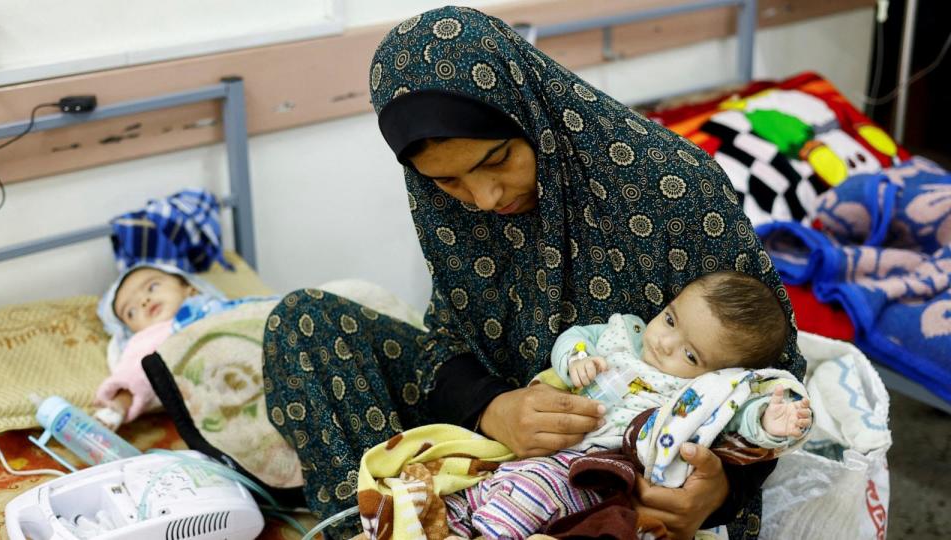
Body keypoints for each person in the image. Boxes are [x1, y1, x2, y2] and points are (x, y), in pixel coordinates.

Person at [262, 6, 804, 539]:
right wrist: (494, 408)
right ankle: (389, 522)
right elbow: (448, 344)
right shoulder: (448, 207)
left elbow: (770, 372)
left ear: (531, 113)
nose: (483, 198)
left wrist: (716, 494)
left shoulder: (675, 189)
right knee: (303, 322)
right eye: (448, 182)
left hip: (615, 464)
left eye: (497, 160)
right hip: (498, 436)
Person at [444, 271, 812, 538]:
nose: (665, 342)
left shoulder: (699, 393)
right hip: (543, 442)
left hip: (597, 471)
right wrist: (576, 359)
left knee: (531, 495)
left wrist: (768, 421)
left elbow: (736, 416)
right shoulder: (626, 335)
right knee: (473, 487)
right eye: (670, 319)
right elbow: (576, 337)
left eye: (689, 353)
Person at [95, 263, 269, 423]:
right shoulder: (150, 338)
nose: (143, 301)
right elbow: (134, 375)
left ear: (189, 288)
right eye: (131, 312)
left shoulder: (220, 306)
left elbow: (261, 310)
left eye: (152, 287)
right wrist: (118, 405)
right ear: (131, 332)